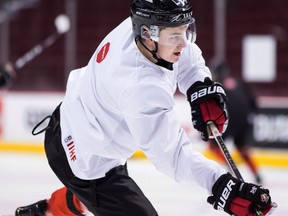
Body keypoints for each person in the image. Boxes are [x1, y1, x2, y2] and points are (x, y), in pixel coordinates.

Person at [15, 0, 274, 216]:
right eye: (175, 36)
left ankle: (48, 210)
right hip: (84, 156)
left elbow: (189, 56)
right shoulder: (141, 86)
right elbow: (171, 156)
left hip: (80, 125)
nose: (183, 43)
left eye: (185, 31)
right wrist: (220, 185)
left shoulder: (144, 29)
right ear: (148, 35)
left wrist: (199, 86)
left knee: (94, 198)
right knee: (108, 197)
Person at [208, 61, 262, 184]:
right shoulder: (238, 82)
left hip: (227, 120)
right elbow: (253, 102)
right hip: (244, 121)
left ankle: (229, 166)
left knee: (213, 146)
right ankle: (256, 174)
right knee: (242, 149)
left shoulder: (215, 85)